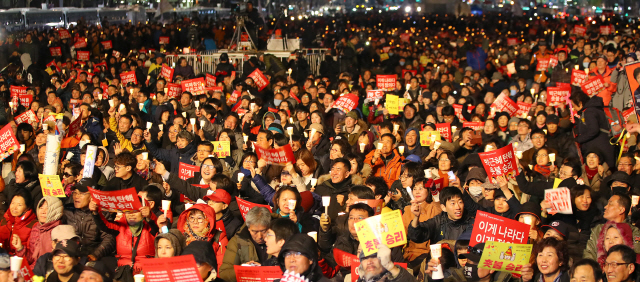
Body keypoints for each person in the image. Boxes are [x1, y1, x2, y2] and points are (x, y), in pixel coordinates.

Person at [89, 197, 156, 275]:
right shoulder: (120, 227)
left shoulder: (151, 227)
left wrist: (150, 216)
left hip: (145, 273)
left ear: (143, 212)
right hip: (123, 274)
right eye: (128, 211)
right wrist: (95, 212)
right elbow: (104, 225)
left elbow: (160, 228)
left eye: (135, 211)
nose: (131, 214)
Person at [219, 207, 271, 282]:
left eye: (263, 231)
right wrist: (244, 270)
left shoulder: (279, 238)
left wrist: (262, 268)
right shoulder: (237, 241)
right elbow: (224, 273)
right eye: (255, 232)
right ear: (248, 228)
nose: (260, 236)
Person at [408, 186, 474, 244]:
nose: (458, 207)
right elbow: (417, 236)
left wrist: (446, 243)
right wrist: (416, 217)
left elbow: (466, 245)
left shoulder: (471, 222)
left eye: (460, 202)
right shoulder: (438, 221)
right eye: (453, 203)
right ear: (443, 207)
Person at [15, 196, 64, 270]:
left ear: (55, 211)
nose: (43, 212)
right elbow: (31, 259)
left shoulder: (59, 231)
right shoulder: (36, 228)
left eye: (47, 208)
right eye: (41, 208)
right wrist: (20, 248)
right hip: (33, 270)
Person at [0, 190, 37, 255]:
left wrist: (20, 248)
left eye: (19, 205)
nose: (14, 208)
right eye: (13, 203)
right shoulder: (5, 220)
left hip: (21, 261)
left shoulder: (33, 225)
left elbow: (32, 255)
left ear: (27, 208)